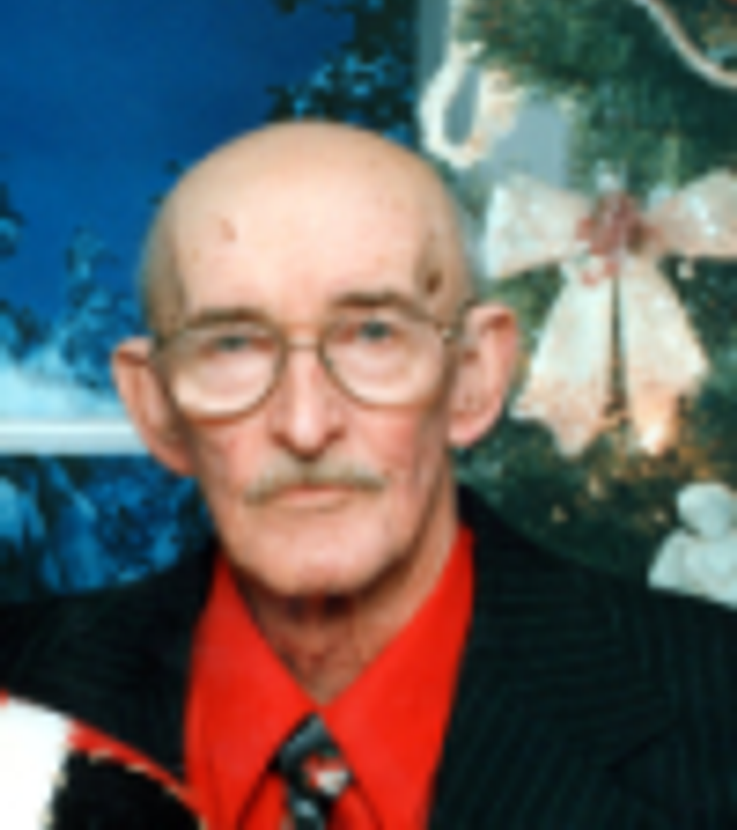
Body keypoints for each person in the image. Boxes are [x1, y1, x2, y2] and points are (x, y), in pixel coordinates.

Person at [0, 120, 736, 829]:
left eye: (373, 334)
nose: (305, 425)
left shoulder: (716, 713)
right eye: (232, 344)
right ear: (155, 405)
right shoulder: (19, 695)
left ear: (474, 376)